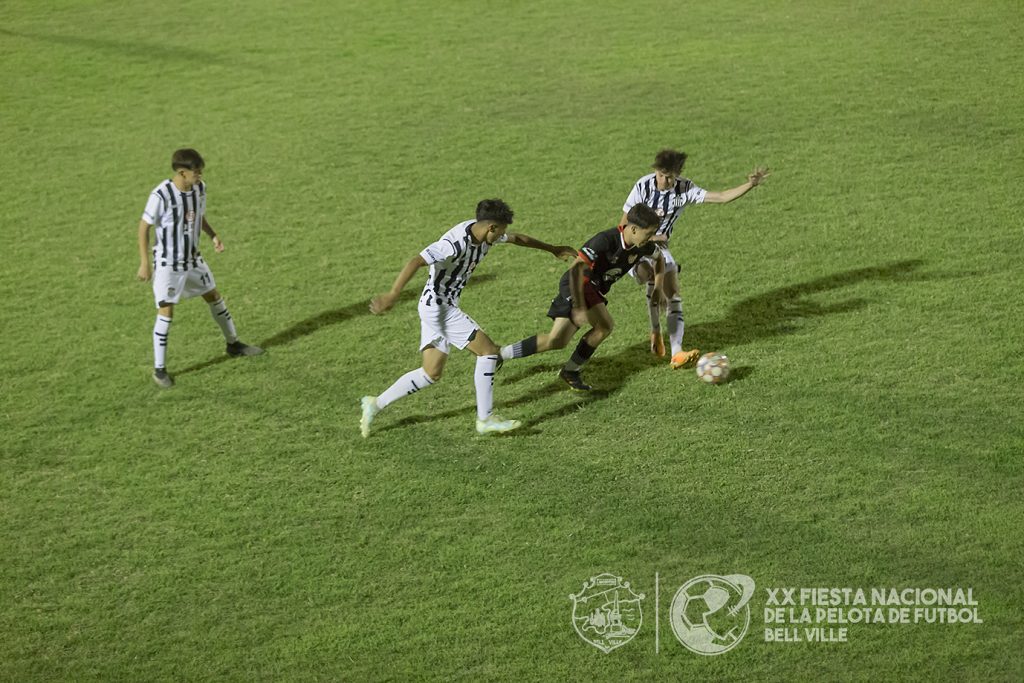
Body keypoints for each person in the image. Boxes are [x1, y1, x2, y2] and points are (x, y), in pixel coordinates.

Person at [360, 199, 576, 437]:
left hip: (436, 306)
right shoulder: (453, 244)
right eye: (501, 230)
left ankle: (375, 403)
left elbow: (518, 239)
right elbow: (416, 261)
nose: (503, 235)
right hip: (439, 309)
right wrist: (393, 294)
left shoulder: (484, 232)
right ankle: (485, 418)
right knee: (489, 352)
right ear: (491, 227)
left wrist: (552, 248)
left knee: (430, 373)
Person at [621, 149, 769, 368]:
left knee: (673, 294)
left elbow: (720, 197)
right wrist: (650, 237)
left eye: (670, 177)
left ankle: (677, 352)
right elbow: (624, 223)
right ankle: (655, 329)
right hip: (635, 246)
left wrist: (750, 184)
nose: (665, 181)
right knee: (648, 276)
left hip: (659, 249)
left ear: (678, 174)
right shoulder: (643, 186)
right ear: (655, 171)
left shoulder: (684, 189)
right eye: (661, 175)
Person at [499, 204, 665, 391]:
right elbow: (576, 270)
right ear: (633, 229)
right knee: (604, 326)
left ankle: (501, 354)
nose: (652, 237)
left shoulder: (642, 245)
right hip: (576, 285)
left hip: (592, 289)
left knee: (557, 340)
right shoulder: (604, 241)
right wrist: (578, 306)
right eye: (649, 233)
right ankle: (570, 371)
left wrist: (658, 288)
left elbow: (660, 259)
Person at [136, 148, 263, 388]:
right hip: (168, 264)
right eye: (196, 172)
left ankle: (233, 344)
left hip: (193, 260)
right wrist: (144, 263)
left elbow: (196, 216)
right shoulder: (161, 195)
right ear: (182, 172)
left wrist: (212, 235)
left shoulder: (199, 188)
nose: (200, 175)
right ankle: (159, 370)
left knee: (214, 296)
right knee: (166, 311)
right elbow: (144, 227)